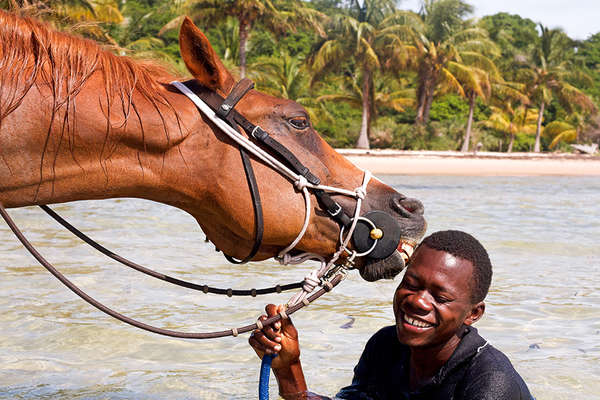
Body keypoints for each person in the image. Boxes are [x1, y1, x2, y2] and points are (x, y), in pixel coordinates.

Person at [249, 230, 533, 399]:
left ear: (474, 314)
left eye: (441, 297)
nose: (418, 302)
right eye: (411, 284)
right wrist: (288, 367)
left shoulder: (490, 384)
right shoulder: (386, 346)